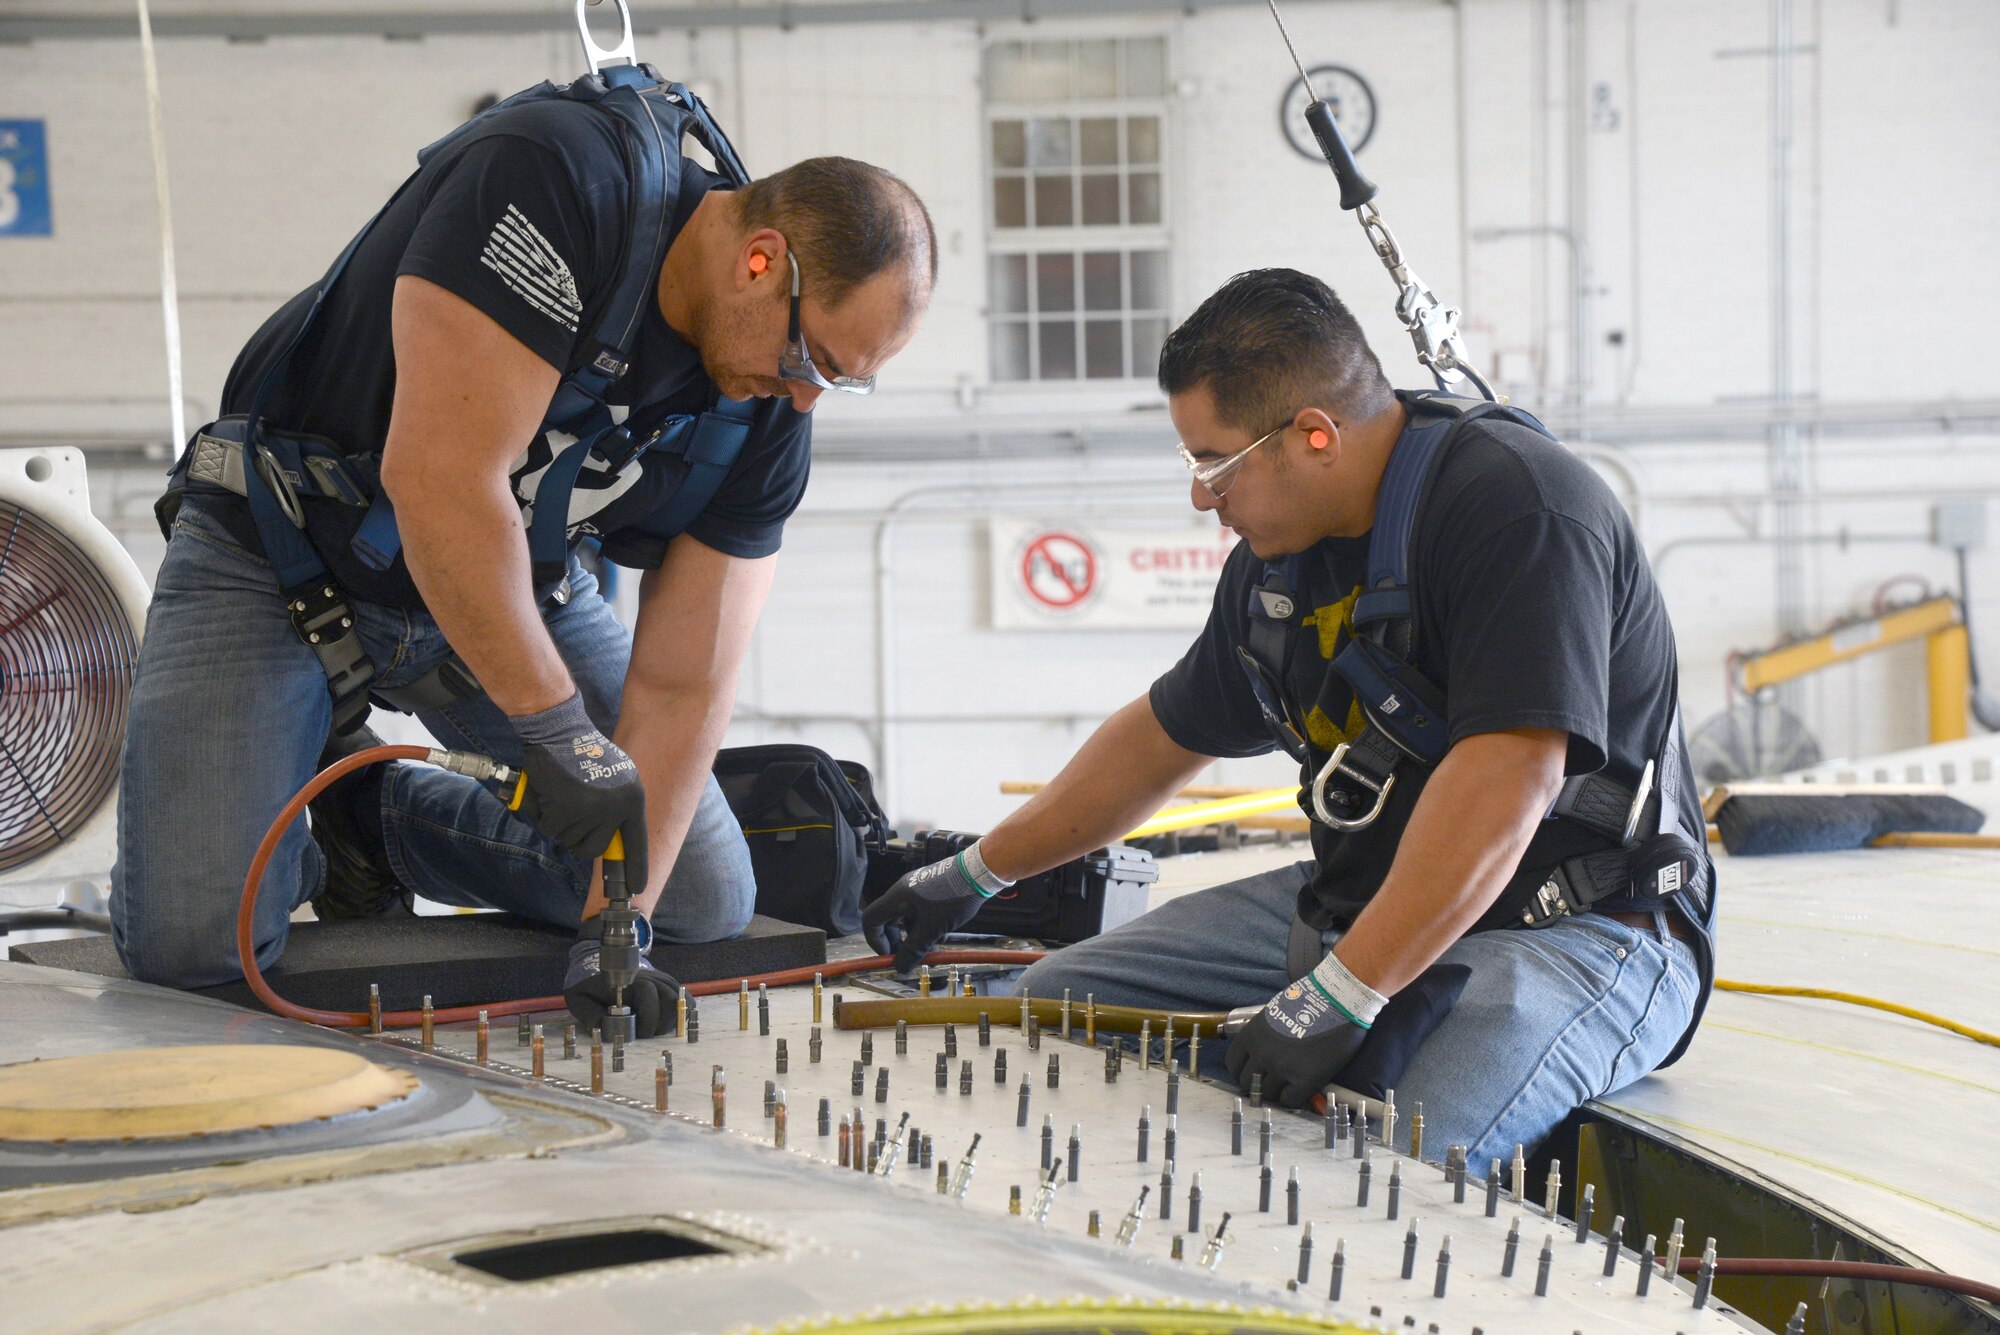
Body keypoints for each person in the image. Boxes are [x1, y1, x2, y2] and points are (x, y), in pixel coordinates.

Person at [113, 81, 936, 1042]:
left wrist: (612, 927)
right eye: (816, 362)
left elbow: (685, 685)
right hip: (282, 555)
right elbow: (440, 483)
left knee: (700, 896)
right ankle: (271, 800)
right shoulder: (558, 180)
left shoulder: (764, 418)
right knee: (196, 945)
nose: (805, 402)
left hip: (514, 592)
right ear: (763, 262)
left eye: (842, 382)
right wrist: (559, 737)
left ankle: (374, 818)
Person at [863, 268, 1713, 1166]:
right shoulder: (1276, 568)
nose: (1200, 494)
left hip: (1578, 932)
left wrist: (1337, 994)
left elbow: (1512, 773)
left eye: (1213, 463)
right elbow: (1160, 738)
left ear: (1314, 435)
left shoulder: (1518, 508)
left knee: (1389, 1159)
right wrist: (970, 875)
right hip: (1362, 906)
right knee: (1053, 1010)